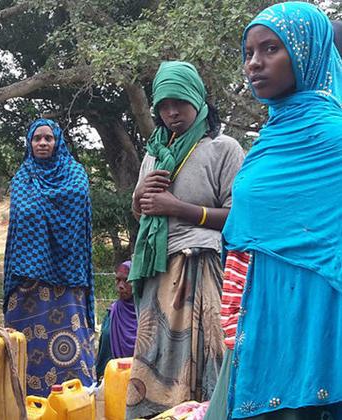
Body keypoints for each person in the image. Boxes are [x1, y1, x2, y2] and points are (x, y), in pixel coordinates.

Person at [221, 3, 342, 418]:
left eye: (271, 49)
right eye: (249, 53)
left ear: (307, 53)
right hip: (265, 303)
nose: (254, 63)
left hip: (321, 305)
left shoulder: (334, 139)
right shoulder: (271, 137)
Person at [126, 61, 245, 418]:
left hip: (202, 267)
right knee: (157, 362)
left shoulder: (224, 148)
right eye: (163, 105)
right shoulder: (155, 151)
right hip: (158, 269)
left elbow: (238, 217)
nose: (172, 113)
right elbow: (143, 213)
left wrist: (178, 208)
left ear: (197, 99)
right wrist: (141, 197)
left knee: (209, 358)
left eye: (179, 102)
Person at [3, 118, 96, 397]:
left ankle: (73, 399)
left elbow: (77, 216)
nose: (42, 143)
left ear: (58, 142)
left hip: (68, 276)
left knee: (70, 339)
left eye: (48, 138)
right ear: (29, 143)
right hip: (28, 278)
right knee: (25, 341)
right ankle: (21, 397)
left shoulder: (76, 176)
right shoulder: (23, 178)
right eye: (37, 138)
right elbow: (19, 224)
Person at [94, 260, 137, 382]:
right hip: (113, 380)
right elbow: (104, 354)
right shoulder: (111, 314)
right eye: (118, 280)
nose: (120, 286)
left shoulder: (146, 316)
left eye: (127, 280)